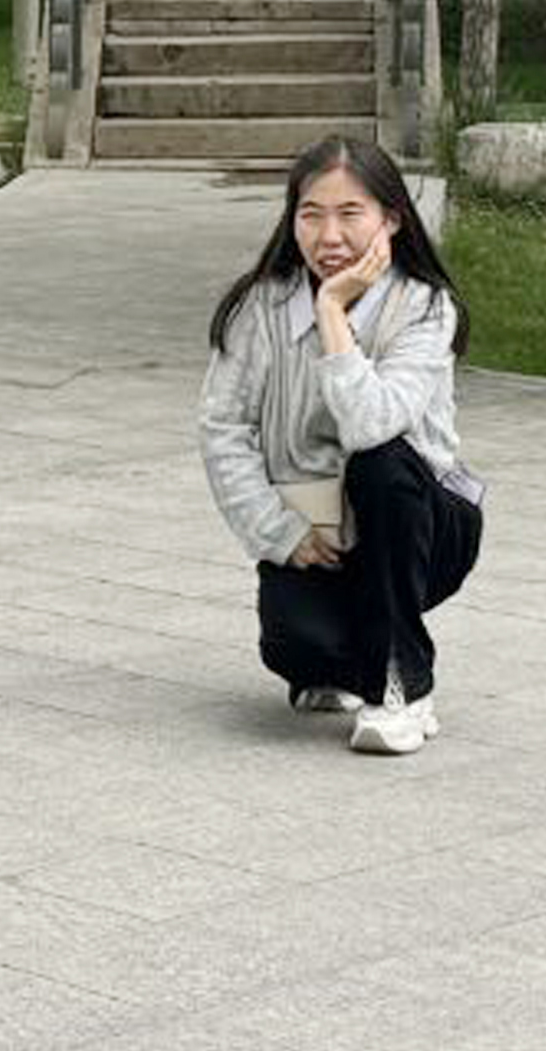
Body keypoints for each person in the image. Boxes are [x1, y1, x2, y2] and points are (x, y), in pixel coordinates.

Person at [197, 136, 483, 753]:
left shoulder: (426, 308)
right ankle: (356, 654)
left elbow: (371, 425)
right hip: (315, 534)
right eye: (311, 214)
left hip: (424, 523)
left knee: (380, 462)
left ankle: (403, 688)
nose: (329, 236)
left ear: (391, 220)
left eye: (350, 214)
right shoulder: (259, 308)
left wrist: (332, 312)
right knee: (298, 649)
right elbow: (222, 430)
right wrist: (280, 534)